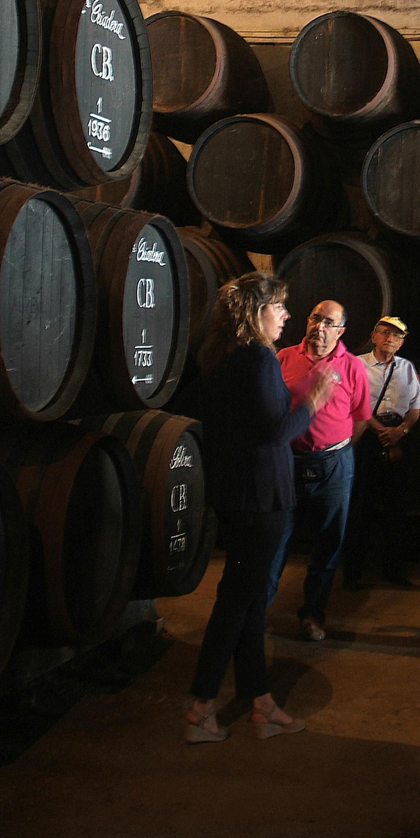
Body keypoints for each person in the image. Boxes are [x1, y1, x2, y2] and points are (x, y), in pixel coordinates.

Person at [184, 272, 335, 743]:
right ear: (257, 312)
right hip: (262, 495)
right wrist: (313, 401)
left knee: (249, 600)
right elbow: (275, 431)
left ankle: (260, 702)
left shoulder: (215, 357)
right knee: (236, 601)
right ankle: (201, 707)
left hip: (234, 492)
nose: (287, 316)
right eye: (280, 307)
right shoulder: (259, 359)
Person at [267, 299, 372, 642]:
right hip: (289, 463)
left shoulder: (353, 367)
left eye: (329, 322)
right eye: (315, 318)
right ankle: (257, 611)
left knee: (328, 544)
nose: (319, 327)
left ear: (340, 331)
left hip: (334, 466)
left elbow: (361, 418)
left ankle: (312, 614)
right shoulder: (283, 358)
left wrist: (334, 448)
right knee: (275, 542)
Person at [343, 316, 420, 590]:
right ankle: (352, 571)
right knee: (361, 507)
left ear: (402, 343)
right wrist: (383, 433)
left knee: (396, 507)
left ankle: (392, 570)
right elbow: (358, 405)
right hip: (369, 436)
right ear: (374, 336)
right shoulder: (358, 364)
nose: (390, 339)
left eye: (397, 336)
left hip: (398, 435)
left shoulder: (406, 367)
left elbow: (416, 406)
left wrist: (401, 432)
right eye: (385, 333)